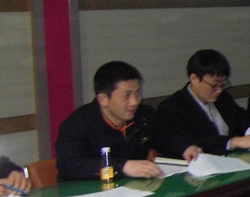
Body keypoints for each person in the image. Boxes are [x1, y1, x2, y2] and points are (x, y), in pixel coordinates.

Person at [55, 61, 200, 181]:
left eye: (138, 93)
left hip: (132, 190)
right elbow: (70, 165)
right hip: (88, 195)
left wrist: (185, 147)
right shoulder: (77, 124)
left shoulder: (144, 115)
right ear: (103, 99)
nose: (135, 102)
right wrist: (122, 167)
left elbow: (166, 136)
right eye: (127, 96)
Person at [157, 49, 250, 155]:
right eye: (214, 85)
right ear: (194, 79)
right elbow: (187, 141)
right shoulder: (172, 108)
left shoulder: (223, 99)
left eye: (223, 84)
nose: (219, 90)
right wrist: (233, 142)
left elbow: (245, 121)